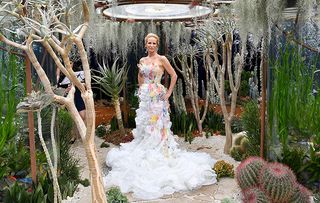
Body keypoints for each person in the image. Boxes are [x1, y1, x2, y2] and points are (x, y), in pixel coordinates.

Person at [104, 33, 217, 200]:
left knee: (159, 126)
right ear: (145, 44)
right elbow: (140, 77)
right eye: (148, 42)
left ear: (157, 45)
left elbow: (174, 75)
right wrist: (141, 91)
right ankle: (148, 149)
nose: (151, 45)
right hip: (145, 99)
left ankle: (162, 152)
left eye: (153, 43)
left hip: (158, 97)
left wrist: (169, 93)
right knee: (146, 126)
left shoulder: (162, 59)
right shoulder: (142, 61)